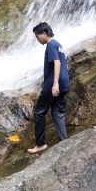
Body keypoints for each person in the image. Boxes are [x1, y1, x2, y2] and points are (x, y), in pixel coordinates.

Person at [27, 22, 69, 154]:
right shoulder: (58, 44)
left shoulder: (51, 45)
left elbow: (57, 63)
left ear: (44, 33)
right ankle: (65, 141)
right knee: (58, 113)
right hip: (64, 84)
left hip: (53, 84)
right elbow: (63, 63)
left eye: (37, 36)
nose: (37, 39)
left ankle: (40, 144)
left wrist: (55, 83)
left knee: (39, 112)